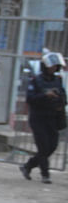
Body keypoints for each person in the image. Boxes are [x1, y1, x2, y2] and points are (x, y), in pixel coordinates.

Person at [20, 52, 67, 184]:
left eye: (55, 66)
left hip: (52, 117)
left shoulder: (58, 80)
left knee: (52, 146)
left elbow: (63, 97)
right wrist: (46, 95)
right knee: (43, 147)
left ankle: (28, 166)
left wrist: (59, 103)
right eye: (51, 66)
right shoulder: (36, 81)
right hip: (38, 118)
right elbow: (30, 99)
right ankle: (45, 174)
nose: (53, 69)